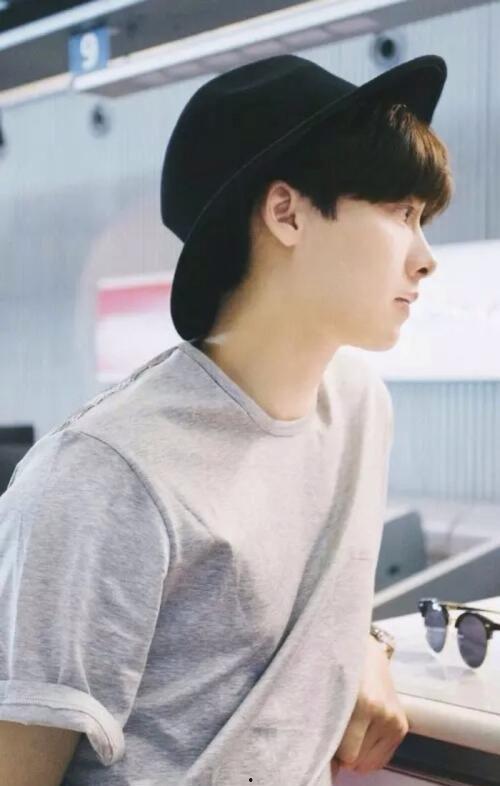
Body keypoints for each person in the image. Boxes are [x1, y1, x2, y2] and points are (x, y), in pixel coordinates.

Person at [0, 54, 453, 786]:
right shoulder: (106, 475)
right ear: (287, 213)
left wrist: (364, 645)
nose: (425, 257)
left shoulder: (360, 408)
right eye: (402, 213)